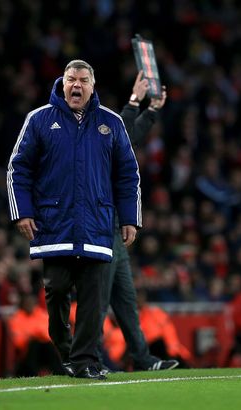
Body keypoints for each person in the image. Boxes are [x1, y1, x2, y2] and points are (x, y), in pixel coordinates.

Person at [7, 59, 141, 380]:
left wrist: (129, 218)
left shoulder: (111, 122)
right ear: (62, 83)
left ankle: (85, 362)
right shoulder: (39, 119)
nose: (76, 85)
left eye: (83, 80)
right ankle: (68, 353)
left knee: (94, 301)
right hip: (54, 227)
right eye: (71, 79)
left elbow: (127, 174)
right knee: (55, 295)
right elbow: (18, 168)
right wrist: (22, 212)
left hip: (96, 226)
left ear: (93, 86)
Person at [98, 71, 179, 373]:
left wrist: (153, 109)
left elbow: (129, 133)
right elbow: (123, 129)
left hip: (115, 232)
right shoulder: (96, 141)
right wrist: (135, 101)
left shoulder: (114, 140)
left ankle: (142, 358)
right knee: (100, 301)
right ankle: (93, 361)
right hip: (99, 231)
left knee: (126, 300)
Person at [8, 293, 63, 377]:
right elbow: (18, 341)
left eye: (31, 303)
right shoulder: (16, 318)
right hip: (26, 353)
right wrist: (36, 335)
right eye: (27, 303)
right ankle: (32, 374)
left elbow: (49, 336)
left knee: (48, 345)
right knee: (34, 344)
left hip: (44, 349)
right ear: (22, 304)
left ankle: (60, 373)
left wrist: (33, 334)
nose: (29, 305)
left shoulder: (42, 315)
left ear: (35, 304)